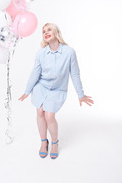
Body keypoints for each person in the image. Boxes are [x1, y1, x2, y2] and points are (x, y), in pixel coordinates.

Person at [18, 23, 94, 159]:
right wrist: (27, 91)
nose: (45, 32)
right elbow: (35, 73)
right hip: (41, 86)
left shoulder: (69, 52)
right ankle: (43, 142)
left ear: (56, 32)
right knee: (40, 111)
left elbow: (75, 74)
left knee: (49, 116)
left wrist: (80, 95)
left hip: (58, 89)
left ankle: (54, 143)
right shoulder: (41, 52)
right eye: (43, 31)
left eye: (49, 29)